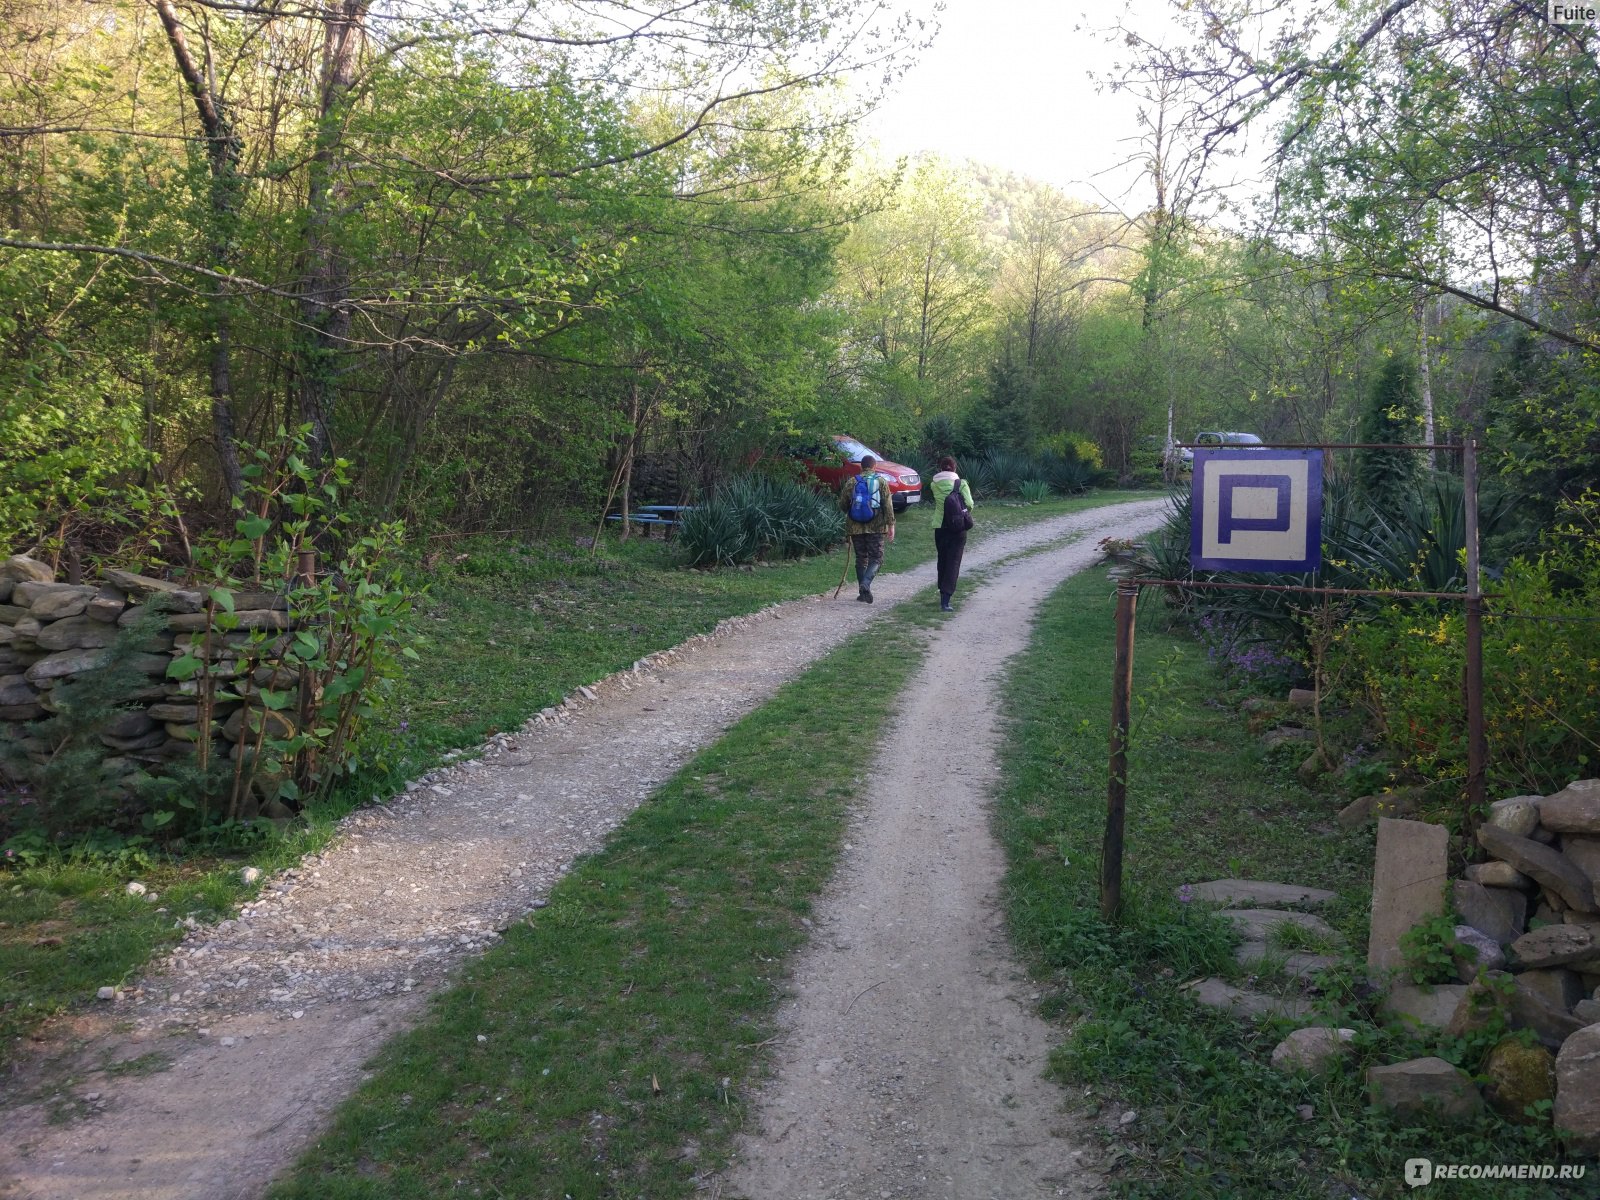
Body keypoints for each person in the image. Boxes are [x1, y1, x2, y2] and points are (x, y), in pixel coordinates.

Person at [838, 454, 895, 603]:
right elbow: (887, 505)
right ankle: (866, 583)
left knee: (861, 558)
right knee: (877, 558)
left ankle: (863, 593)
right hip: (876, 526)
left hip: (855, 526)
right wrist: (891, 525)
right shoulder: (881, 481)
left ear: (861, 467)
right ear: (874, 466)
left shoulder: (852, 482)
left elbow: (843, 504)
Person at [929, 456, 973, 611]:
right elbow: (969, 504)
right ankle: (946, 600)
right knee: (953, 562)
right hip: (957, 528)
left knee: (943, 559)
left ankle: (942, 590)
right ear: (955, 468)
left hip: (940, 527)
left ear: (941, 468)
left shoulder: (934, 484)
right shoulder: (961, 484)